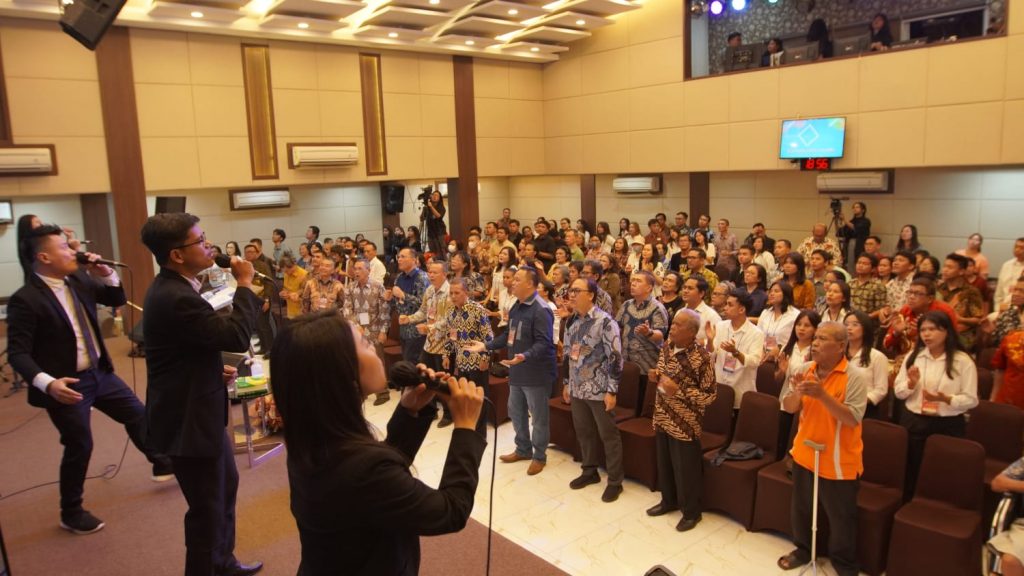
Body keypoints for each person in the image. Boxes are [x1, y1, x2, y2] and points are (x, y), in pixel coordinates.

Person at [271, 311, 485, 576]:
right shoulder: (361, 467)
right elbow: (451, 511)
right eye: (365, 343)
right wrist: (465, 427)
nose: (373, 346)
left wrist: (410, 412)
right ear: (343, 372)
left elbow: (379, 487)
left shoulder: (315, 438)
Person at [7, 224, 173, 535]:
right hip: (66, 384)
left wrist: (105, 273)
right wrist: (48, 383)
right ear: (44, 257)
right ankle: (71, 512)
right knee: (80, 443)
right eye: (64, 247)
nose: (73, 251)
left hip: (100, 373)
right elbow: (18, 353)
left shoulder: (78, 279)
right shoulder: (25, 300)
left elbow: (116, 297)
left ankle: (161, 461)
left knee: (137, 414)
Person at [140, 213, 263, 576]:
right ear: (177, 255)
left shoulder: (180, 286)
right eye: (200, 240)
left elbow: (187, 346)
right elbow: (234, 337)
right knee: (207, 508)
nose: (209, 245)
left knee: (225, 488)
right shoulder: (175, 295)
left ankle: (222, 562)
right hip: (187, 420)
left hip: (199, 406)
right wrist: (244, 284)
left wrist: (212, 369)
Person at [778, 322, 866, 576]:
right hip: (805, 452)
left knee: (841, 517)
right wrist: (797, 392)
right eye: (815, 338)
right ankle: (803, 550)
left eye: (822, 339)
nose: (815, 343)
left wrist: (822, 395)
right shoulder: (804, 369)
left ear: (841, 346)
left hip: (838, 459)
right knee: (802, 509)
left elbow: (852, 419)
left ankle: (844, 563)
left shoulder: (854, 377)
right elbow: (789, 407)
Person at [471, 267, 556, 475]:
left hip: (536, 373)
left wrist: (525, 356)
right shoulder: (516, 306)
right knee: (515, 412)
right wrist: (485, 346)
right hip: (516, 370)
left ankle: (539, 456)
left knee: (538, 417)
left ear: (530, 284)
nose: (512, 282)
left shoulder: (541, 309)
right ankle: (523, 449)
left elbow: (544, 343)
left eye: (517, 279)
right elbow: (507, 336)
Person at [893, 311, 978, 497]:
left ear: (947, 331)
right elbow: (898, 393)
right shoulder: (913, 356)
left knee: (942, 473)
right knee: (911, 471)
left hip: (947, 425)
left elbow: (971, 400)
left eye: (932, 329)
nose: (926, 334)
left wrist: (945, 399)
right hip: (914, 422)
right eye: (923, 330)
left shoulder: (962, 361)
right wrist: (910, 384)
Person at [646, 309, 716, 531]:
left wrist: (679, 391)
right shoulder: (667, 346)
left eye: (677, 325)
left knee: (686, 470)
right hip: (662, 415)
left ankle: (691, 513)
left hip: (685, 423)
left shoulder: (702, 358)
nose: (672, 328)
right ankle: (668, 501)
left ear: (692, 332)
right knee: (665, 464)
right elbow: (664, 374)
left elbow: (709, 396)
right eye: (673, 323)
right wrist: (655, 375)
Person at [562, 278, 625, 502]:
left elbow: (616, 358)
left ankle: (615, 481)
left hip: (599, 390)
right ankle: (589, 471)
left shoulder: (605, 321)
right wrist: (566, 382)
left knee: (608, 435)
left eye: (576, 290)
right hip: (577, 387)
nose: (571, 294)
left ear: (590, 295)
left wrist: (612, 391)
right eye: (570, 290)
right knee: (584, 432)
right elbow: (568, 353)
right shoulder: (571, 320)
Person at [401, 260, 452, 426]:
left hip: (445, 344)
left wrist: (429, 328)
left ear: (445, 274)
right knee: (425, 376)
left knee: (443, 379)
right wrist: (409, 318)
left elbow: (449, 320)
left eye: (435, 272)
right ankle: (430, 409)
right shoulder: (429, 290)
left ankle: (449, 414)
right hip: (429, 342)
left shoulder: (450, 292)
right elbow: (423, 311)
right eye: (430, 272)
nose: (431, 275)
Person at [442, 278, 494, 434]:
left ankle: (480, 433)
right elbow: (450, 335)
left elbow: (488, 336)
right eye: (451, 293)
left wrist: (485, 357)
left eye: (457, 293)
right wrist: (446, 354)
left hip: (477, 361)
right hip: (461, 360)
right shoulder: (450, 311)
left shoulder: (477, 310)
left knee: (479, 398)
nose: (453, 296)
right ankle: (468, 429)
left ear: (466, 292)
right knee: (465, 398)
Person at [344, 259, 392, 406]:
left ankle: (382, 392)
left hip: (375, 329)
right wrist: (355, 325)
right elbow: (347, 309)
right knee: (358, 360)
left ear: (368, 270)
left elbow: (385, 310)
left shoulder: (377, 286)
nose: (356, 271)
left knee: (378, 360)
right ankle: (363, 390)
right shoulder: (350, 287)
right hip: (357, 330)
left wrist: (383, 331)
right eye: (355, 268)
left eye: (360, 268)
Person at [706, 290, 765, 409]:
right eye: (726, 304)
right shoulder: (721, 326)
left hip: (741, 392)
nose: (725, 308)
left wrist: (735, 352)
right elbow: (711, 354)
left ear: (741, 310)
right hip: (719, 388)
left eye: (730, 305)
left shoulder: (756, 333)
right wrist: (710, 341)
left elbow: (754, 362)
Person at [616, 271, 670, 395]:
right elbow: (616, 326)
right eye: (633, 280)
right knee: (625, 400)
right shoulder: (626, 305)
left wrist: (648, 332)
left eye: (638, 281)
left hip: (646, 366)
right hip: (626, 363)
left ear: (649, 288)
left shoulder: (657, 307)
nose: (633, 283)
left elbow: (661, 334)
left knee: (641, 400)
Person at [844, 311, 889, 420]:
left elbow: (881, 390)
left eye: (855, 324)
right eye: (846, 324)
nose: (849, 328)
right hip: (838, 405)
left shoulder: (877, 357)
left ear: (865, 329)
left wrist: (860, 401)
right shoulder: (837, 353)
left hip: (865, 410)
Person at [390, 248, 431, 364]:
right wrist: (390, 298)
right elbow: (397, 302)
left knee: (413, 364)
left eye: (403, 257)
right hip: (403, 328)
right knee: (406, 362)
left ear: (414, 259)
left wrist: (404, 295)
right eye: (398, 257)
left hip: (417, 330)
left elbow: (424, 305)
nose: (399, 259)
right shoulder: (399, 277)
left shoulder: (422, 277)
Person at [937, 253, 984, 350]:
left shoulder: (971, 292)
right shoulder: (938, 289)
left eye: (949, 267)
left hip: (961, 335)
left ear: (961, 271)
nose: (945, 270)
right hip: (937, 332)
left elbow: (978, 320)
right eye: (944, 266)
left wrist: (960, 319)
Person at [758, 280, 799, 363]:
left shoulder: (795, 315)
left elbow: (797, 340)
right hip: (762, 357)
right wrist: (761, 350)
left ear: (786, 294)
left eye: (776, 291)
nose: (772, 294)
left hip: (784, 358)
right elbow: (758, 335)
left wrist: (781, 349)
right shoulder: (765, 312)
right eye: (770, 291)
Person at [682, 275, 722, 346]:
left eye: (690, 288)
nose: (685, 291)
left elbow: (718, 341)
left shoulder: (712, 316)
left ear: (701, 294)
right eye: (684, 287)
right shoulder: (680, 312)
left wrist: (700, 342)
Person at [849, 253, 887, 320]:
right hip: (848, 319)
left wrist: (866, 317)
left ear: (873, 269)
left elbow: (881, 309)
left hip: (868, 320)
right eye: (859, 263)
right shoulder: (850, 283)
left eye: (865, 264)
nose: (860, 265)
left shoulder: (878, 286)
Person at [836, 201, 869, 270]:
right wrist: (839, 222)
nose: (855, 209)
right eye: (853, 207)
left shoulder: (866, 221)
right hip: (848, 244)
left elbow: (856, 228)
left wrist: (845, 220)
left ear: (863, 210)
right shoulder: (852, 221)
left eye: (857, 207)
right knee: (846, 263)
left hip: (859, 245)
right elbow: (840, 233)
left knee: (856, 262)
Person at [995, 238, 1024, 314]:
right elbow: (999, 293)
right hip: (1003, 307)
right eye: (1016, 247)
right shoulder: (1006, 265)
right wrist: (998, 310)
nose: (1017, 250)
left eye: (1021, 248)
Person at [278, 255, 308, 321]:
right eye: (284, 272)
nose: (286, 273)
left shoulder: (304, 274)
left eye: (287, 271)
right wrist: (283, 293)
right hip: (290, 309)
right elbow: (285, 288)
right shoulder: (286, 274)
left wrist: (296, 294)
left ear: (293, 266)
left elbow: (305, 292)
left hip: (301, 310)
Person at [423, 188, 447, 257]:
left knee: (441, 250)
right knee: (432, 251)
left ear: (440, 199)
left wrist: (431, 207)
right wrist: (425, 208)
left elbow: (438, 216)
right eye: (433, 195)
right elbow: (422, 218)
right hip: (430, 232)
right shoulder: (427, 207)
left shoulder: (441, 207)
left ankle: (444, 262)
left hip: (439, 232)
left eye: (437, 195)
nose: (434, 196)